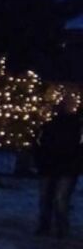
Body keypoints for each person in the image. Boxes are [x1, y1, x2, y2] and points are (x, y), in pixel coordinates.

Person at [34, 91, 83, 238]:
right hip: (50, 165)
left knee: (59, 199)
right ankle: (46, 226)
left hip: (66, 167)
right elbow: (38, 143)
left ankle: (60, 228)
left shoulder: (78, 126)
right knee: (48, 198)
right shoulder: (49, 124)